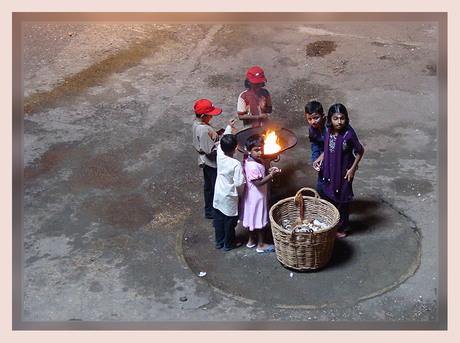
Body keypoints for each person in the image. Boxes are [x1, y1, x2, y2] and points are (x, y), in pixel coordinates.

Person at [313, 103, 364, 238]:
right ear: (330, 119)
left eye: (342, 118)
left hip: (343, 172)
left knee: (342, 200)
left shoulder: (348, 135)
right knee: (329, 196)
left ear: (346, 119)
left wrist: (352, 169)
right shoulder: (329, 131)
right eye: (336, 118)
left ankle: (341, 229)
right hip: (330, 171)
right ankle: (331, 223)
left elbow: (360, 151)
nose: (339, 122)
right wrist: (321, 157)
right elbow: (329, 147)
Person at [241, 134, 281, 253]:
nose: (260, 152)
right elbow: (258, 183)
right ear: (249, 151)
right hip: (257, 197)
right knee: (259, 220)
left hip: (251, 196)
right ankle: (261, 244)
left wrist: (268, 171)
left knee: (252, 218)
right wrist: (271, 175)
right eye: (256, 150)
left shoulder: (251, 160)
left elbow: (260, 172)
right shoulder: (253, 166)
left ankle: (251, 240)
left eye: (261, 149)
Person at [192, 99, 230, 219]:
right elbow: (209, 149)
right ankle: (215, 212)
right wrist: (222, 142)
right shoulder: (203, 129)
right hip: (211, 163)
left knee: (208, 187)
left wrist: (217, 133)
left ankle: (209, 211)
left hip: (206, 162)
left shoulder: (199, 124)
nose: (211, 118)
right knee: (214, 188)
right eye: (210, 116)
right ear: (203, 116)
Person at [212, 123, 245, 251]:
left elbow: (223, 139)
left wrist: (229, 128)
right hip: (229, 196)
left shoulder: (220, 153)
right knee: (230, 222)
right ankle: (229, 243)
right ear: (235, 148)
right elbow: (238, 182)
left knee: (219, 219)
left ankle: (219, 242)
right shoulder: (235, 164)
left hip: (218, 192)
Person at [305, 101, 327, 198]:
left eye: (316, 118)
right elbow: (315, 144)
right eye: (309, 119)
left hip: (334, 158)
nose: (313, 122)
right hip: (322, 159)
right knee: (321, 187)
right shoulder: (312, 128)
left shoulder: (330, 127)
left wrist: (323, 156)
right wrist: (315, 160)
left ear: (323, 116)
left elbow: (334, 146)